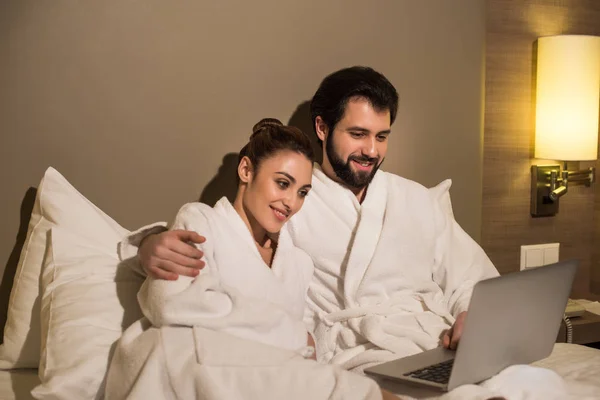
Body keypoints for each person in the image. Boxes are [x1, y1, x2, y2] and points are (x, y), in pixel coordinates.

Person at [127, 66, 499, 374]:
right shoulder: (289, 205)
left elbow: (469, 276)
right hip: (363, 355)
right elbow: (226, 242)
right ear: (322, 128)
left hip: (440, 344)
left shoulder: (417, 198)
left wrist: (471, 315)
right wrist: (149, 242)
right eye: (358, 134)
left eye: (381, 136)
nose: (371, 150)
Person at [106, 118, 396, 400]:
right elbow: (169, 303)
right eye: (282, 183)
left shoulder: (297, 264)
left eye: (302, 192)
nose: (291, 202)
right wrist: (291, 332)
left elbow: (296, 359)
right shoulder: (202, 222)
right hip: (190, 368)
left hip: (260, 381)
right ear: (246, 170)